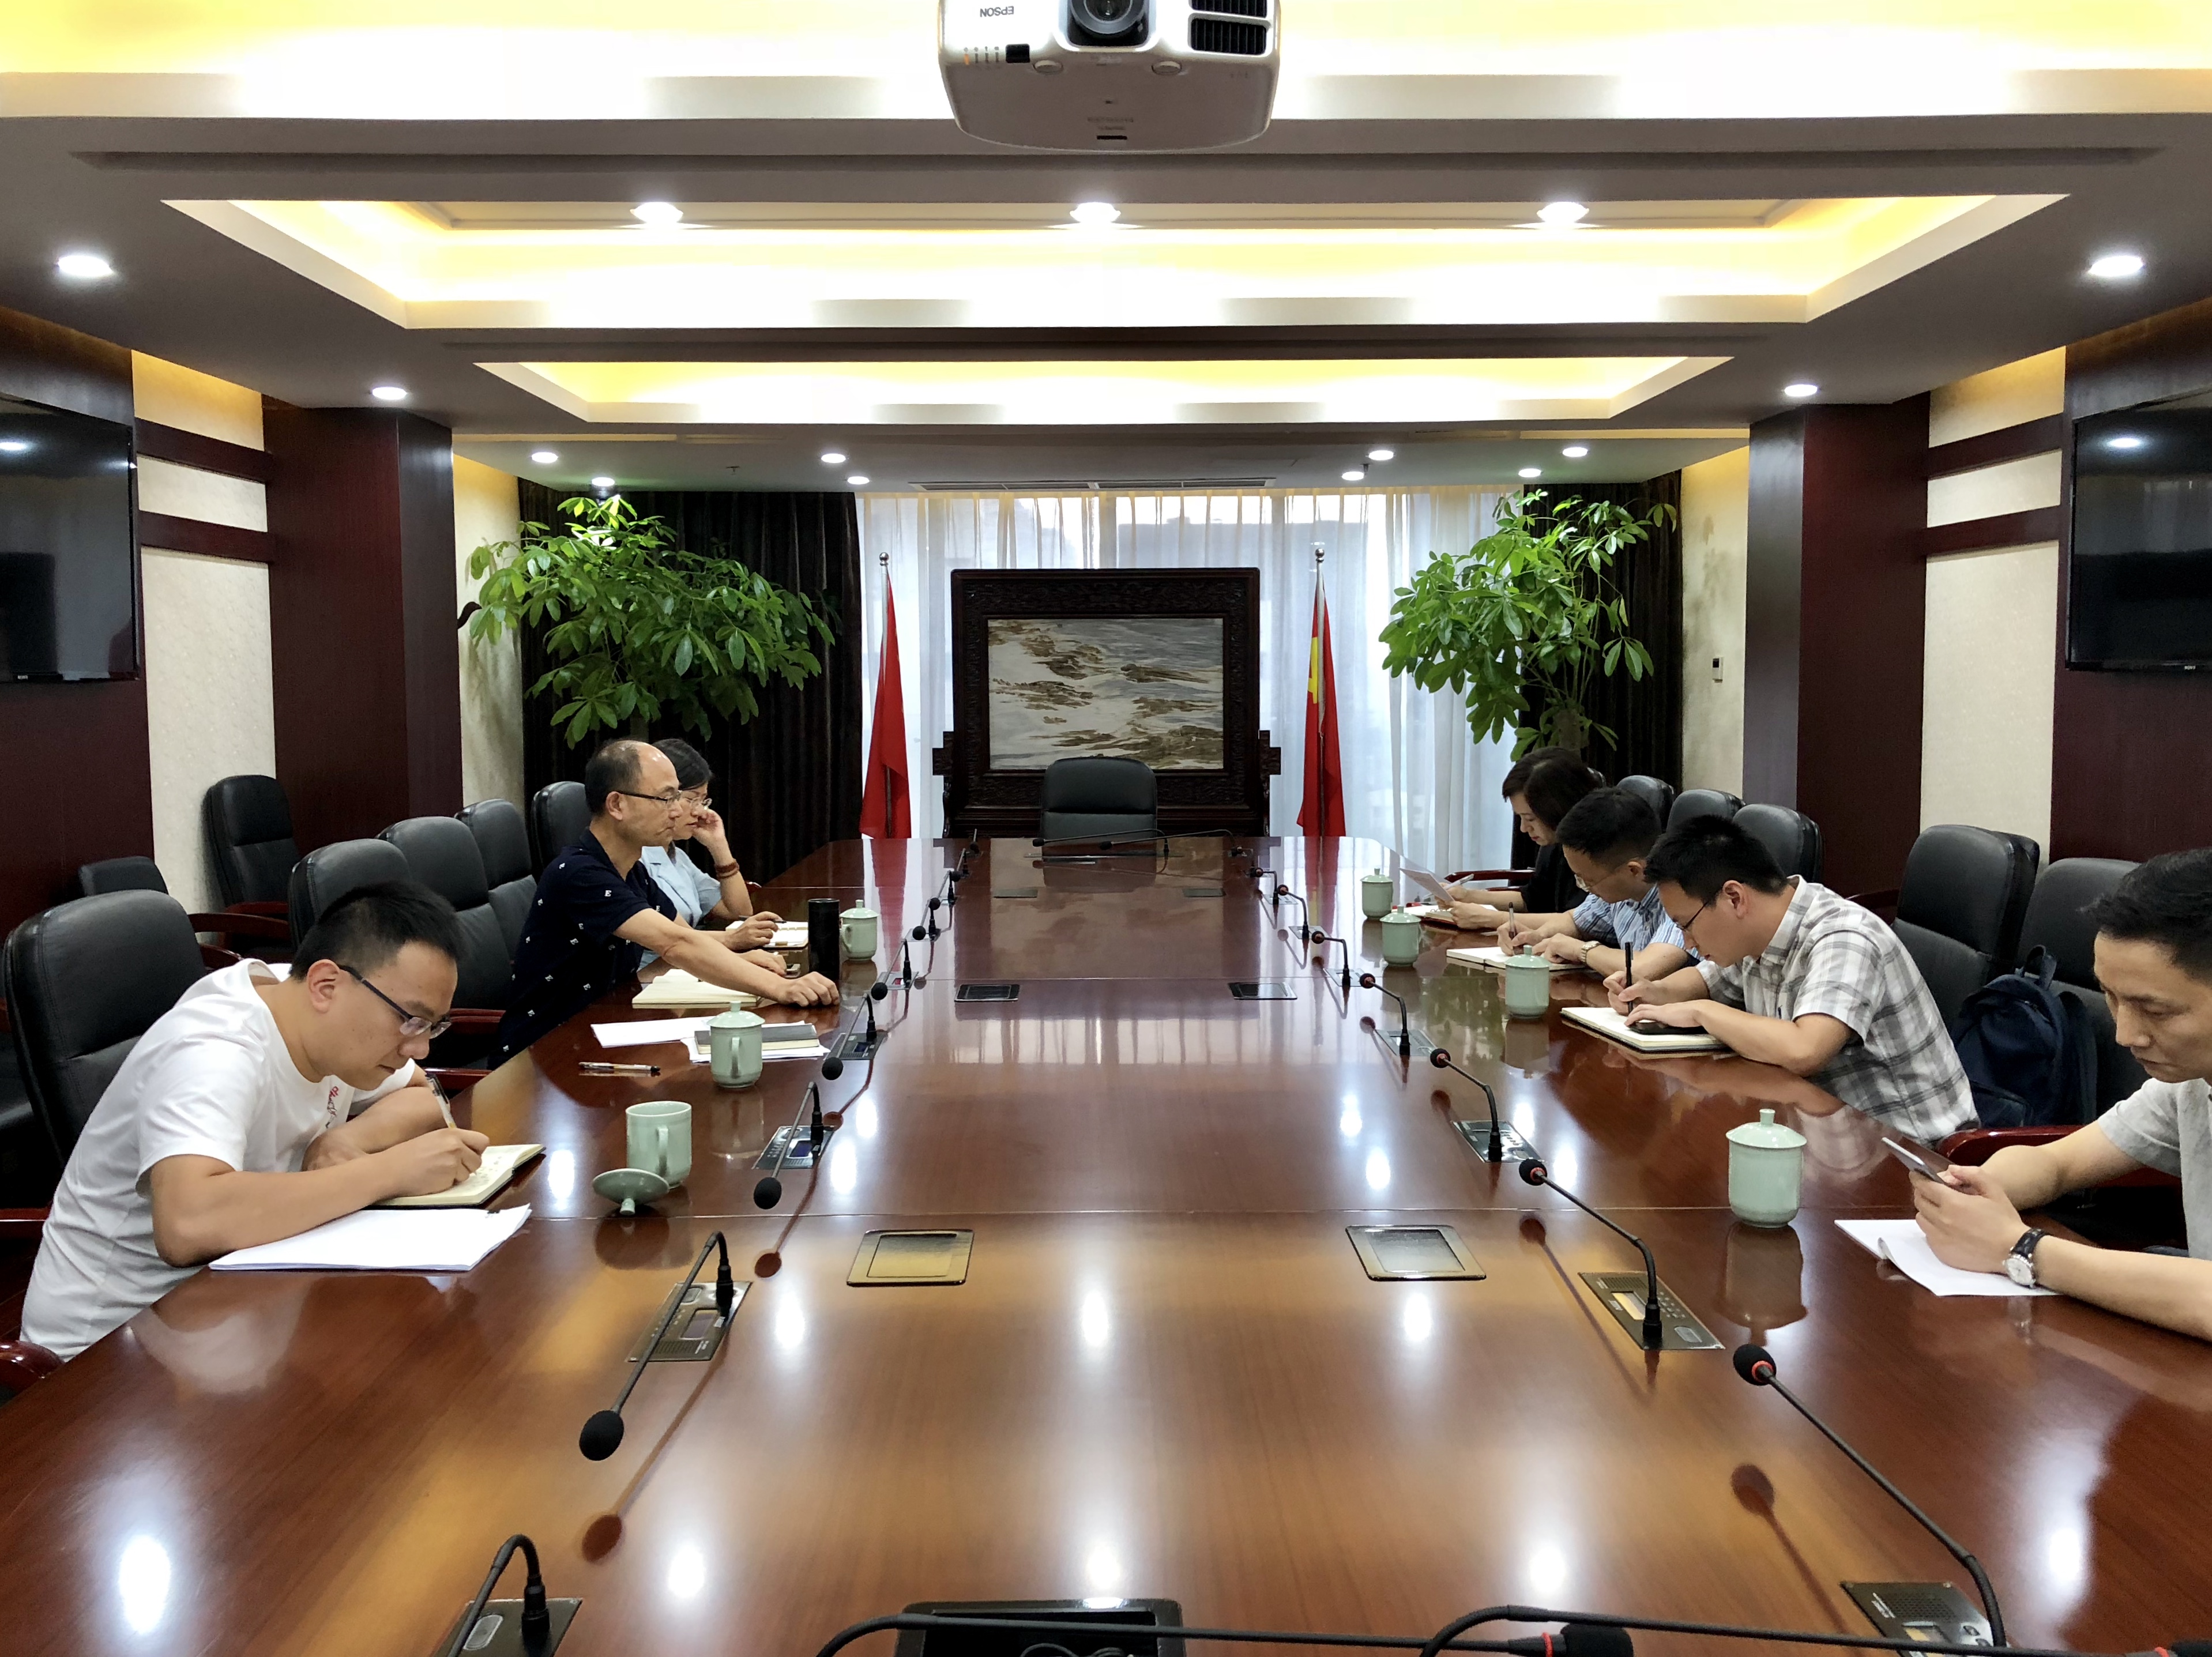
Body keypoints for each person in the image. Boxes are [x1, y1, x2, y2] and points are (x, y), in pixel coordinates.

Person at [21, 882, 491, 1361]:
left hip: (238, 1297)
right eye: (410, 1020)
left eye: (432, 1026)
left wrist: (343, 1140)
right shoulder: (215, 1049)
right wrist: (387, 1172)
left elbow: (422, 1098)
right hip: (113, 1346)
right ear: (326, 986)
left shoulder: (309, 1002)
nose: (419, 1048)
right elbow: (188, 1224)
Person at [1913, 850, 2212, 1339]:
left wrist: (2021, 1248)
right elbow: (2058, 1163)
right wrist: (1977, 1190)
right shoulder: (2189, 1085)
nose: (2126, 1035)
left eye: (2156, 1011)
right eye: (2111, 997)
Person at [1613, 815, 1976, 1142]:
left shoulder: (1844, 936)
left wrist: (1701, 1012)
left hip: (1913, 1153)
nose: (1688, 943)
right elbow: (1706, 982)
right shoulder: (1757, 931)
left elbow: (1805, 1049)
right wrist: (1652, 992)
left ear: (1734, 898)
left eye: (1686, 925)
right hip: (1824, 1130)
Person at [493, 739, 837, 1064]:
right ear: (617, 805)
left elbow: (686, 935)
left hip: (603, 1028)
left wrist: (745, 963)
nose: (677, 812)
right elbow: (676, 944)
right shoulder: (579, 874)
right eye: (665, 799)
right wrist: (783, 989)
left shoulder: (631, 870)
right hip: (543, 1055)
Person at [1496, 786, 1691, 983]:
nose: (1583, 886)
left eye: (1588, 881)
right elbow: (1576, 921)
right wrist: (1538, 937)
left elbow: (1644, 969)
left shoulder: (1683, 895)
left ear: (1633, 871)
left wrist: (1582, 950)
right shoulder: (1621, 890)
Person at [638, 737, 779, 956]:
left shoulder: (677, 856)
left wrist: (718, 845)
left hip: (686, 961)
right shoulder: (635, 857)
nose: (699, 812)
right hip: (652, 970)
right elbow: (667, 937)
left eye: (703, 801)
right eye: (691, 800)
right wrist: (731, 939)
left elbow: (738, 912)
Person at [1449, 752, 1602, 929]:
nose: (1523, 828)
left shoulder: (1599, 848)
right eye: (1520, 817)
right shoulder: (1553, 842)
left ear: (1559, 808)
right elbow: (1533, 899)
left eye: (1530, 819)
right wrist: (1469, 897)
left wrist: (1492, 919)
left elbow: (1580, 922)